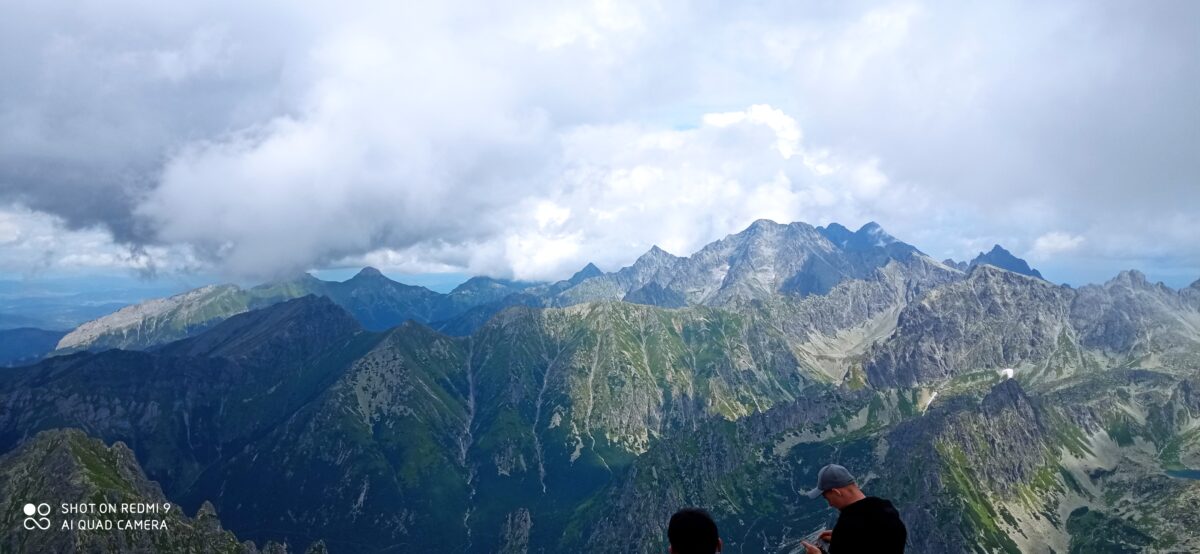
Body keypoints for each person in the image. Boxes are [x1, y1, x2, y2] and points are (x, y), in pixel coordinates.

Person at [800, 464, 906, 553]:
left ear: (836, 492)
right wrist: (847, 540)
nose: (830, 504)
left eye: (827, 498)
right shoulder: (886, 508)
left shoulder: (847, 524)